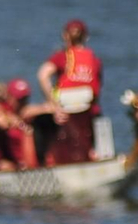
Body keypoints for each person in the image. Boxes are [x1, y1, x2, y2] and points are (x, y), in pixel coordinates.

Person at [37, 19, 103, 165]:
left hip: (63, 111)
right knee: (88, 147)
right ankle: (93, 156)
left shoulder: (62, 56)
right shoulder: (95, 60)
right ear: (86, 37)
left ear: (65, 36)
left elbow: (42, 75)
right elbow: (97, 91)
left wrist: (53, 105)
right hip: (88, 113)